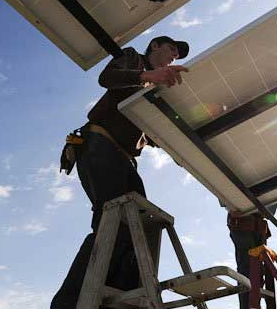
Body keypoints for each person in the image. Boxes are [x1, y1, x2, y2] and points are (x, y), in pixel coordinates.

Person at [51, 36, 189, 309]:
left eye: (177, 54)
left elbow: (151, 133)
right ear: (155, 47)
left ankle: (120, 299)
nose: (175, 55)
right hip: (100, 143)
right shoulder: (133, 59)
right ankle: (69, 303)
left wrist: (181, 148)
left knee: (140, 224)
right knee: (111, 222)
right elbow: (107, 78)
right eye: (172, 49)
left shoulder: (153, 91)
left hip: (125, 159)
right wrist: (150, 75)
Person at [227, 204, 277, 309]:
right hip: (242, 220)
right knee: (247, 269)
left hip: (258, 225)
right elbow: (224, 190)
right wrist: (229, 206)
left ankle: (254, 305)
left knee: (258, 271)